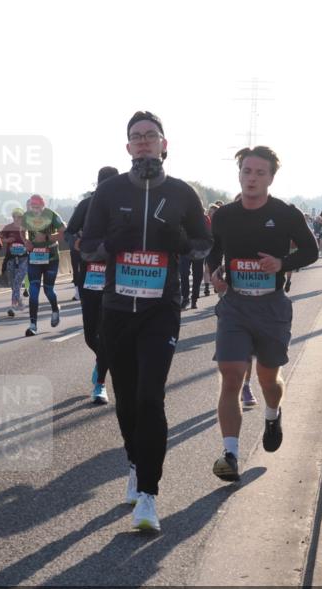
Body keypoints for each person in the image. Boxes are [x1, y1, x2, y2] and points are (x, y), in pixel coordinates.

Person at [80, 111, 212, 532]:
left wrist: (181, 244)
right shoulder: (109, 191)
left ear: (164, 144)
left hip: (160, 309)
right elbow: (85, 248)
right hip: (117, 309)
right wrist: (108, 246)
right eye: (136, 137)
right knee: (127, 399)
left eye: (150, 136)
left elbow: (203, 245)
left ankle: (149, 497)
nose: (143, 143)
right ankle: (135, 463)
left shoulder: (182, 194)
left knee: (151, 398)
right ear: (127, 147)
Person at [206, 146, 318, 481]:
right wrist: (215, 272)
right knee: (231, 373)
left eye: (260, 173)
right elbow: (213, 249)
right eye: (247, 172)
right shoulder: (224, 215)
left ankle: (272, 414)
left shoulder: (285, 213)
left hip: (271, 306)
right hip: (235, 304)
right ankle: (231, 454)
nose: (252, 178)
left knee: (268, 378)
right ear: (239, 174)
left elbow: (311, 250)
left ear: (270, 177)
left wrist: (282, 263)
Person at [67, 166, 120, 404]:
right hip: (90, 276)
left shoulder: (125, 205)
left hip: (117, 278)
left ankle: (100, 383)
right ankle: (102, 360)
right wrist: (77, 243)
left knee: (108, 332)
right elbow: (68, 233)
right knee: (91, 335)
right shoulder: (86, 206)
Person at [23, 195, 65, 336]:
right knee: (33, 291)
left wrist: (47, 237)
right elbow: (22, 231)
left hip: (51, 257)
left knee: (48, 290)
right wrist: (26, 241)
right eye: (33, 207)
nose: (35, 210)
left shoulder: (52, 215)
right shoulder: (27, 216)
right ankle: (33, 325)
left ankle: (55, 309)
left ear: (43, 206)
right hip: (34, 257)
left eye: (38, 207)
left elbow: (63, 233)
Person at [0, 208, 28, 317]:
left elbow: (32, 240)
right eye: (15, 216)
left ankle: (13, 307)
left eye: (19, 216)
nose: (17, 218)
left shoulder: (26, 228)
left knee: (17, 282)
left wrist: (25, 241)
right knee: (13, 284)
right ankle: (19, 302)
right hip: (11, 258)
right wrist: (8, 240)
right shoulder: (8, 227)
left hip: (24, 259)